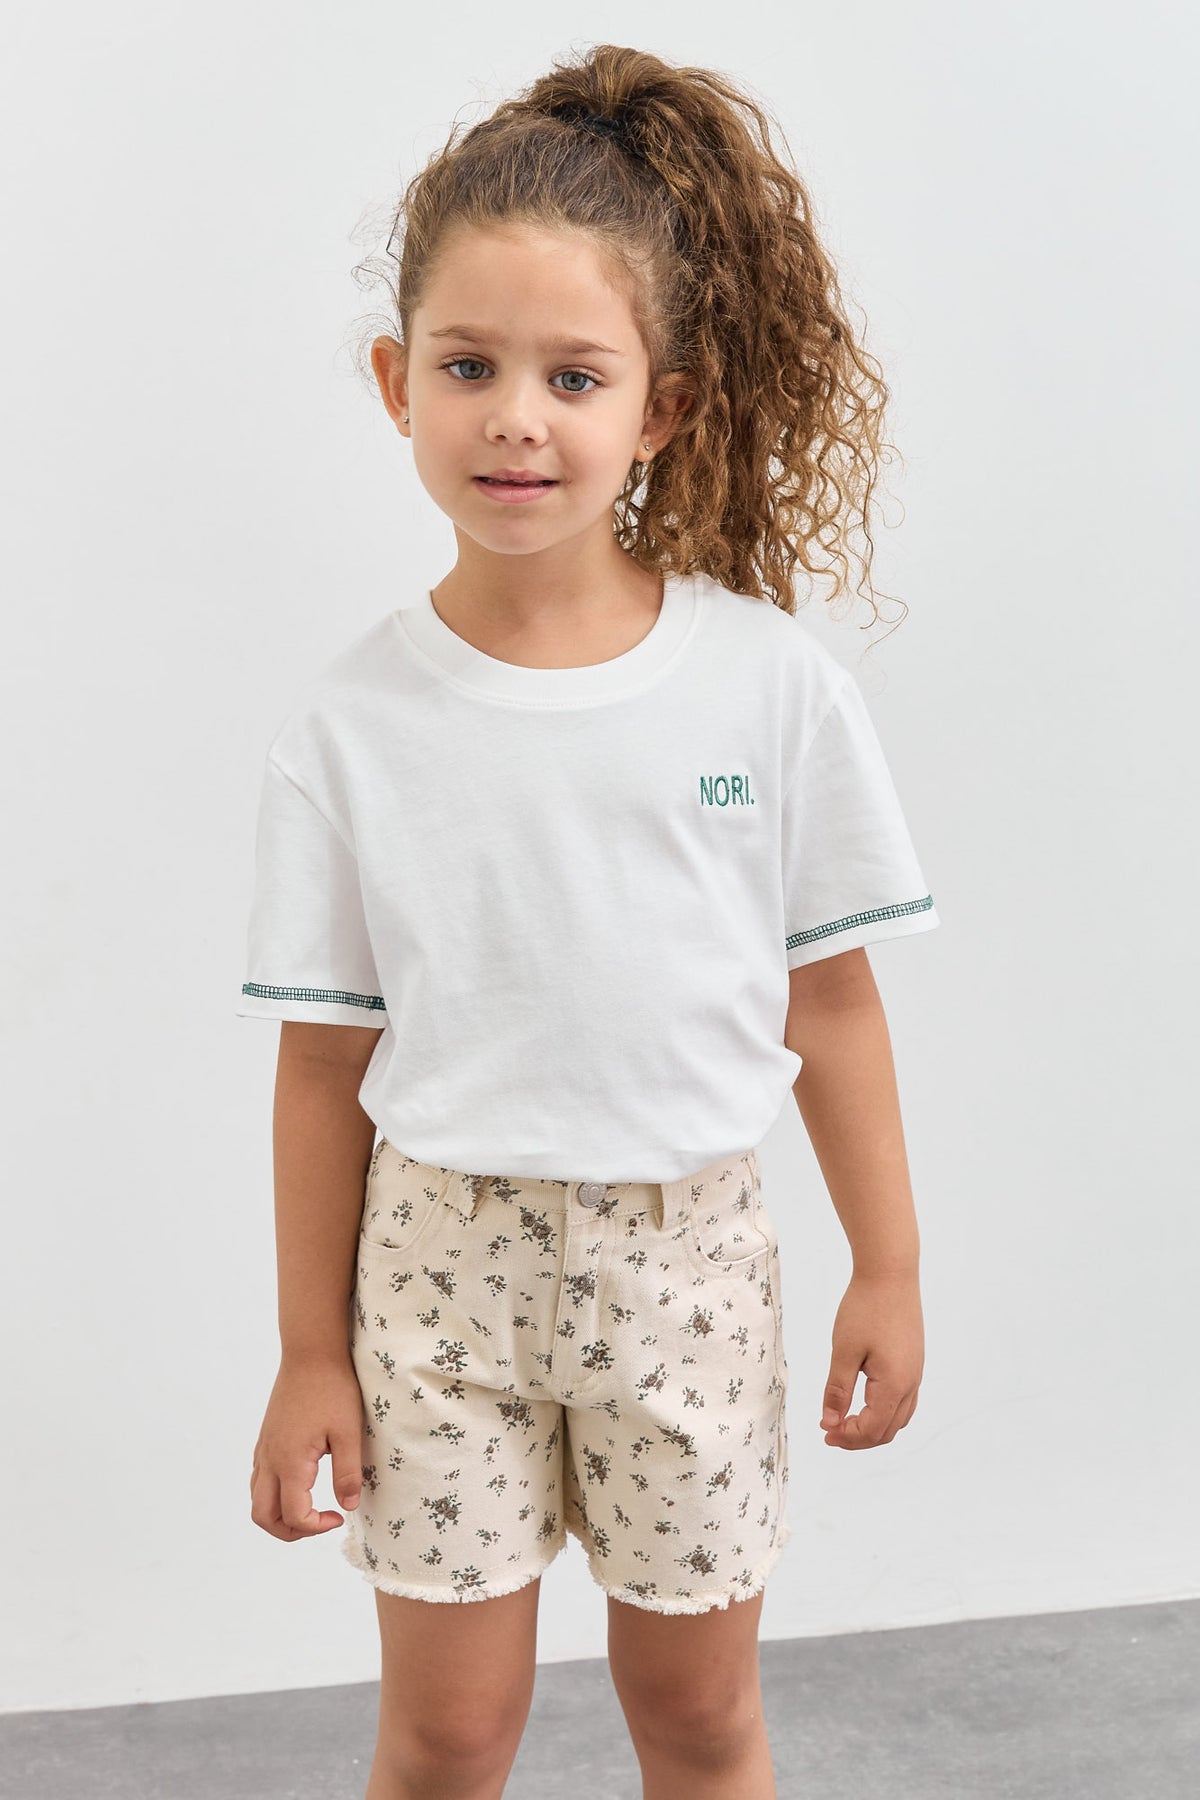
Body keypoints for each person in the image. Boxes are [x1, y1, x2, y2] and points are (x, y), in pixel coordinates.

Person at [240, 41, 941, 1800]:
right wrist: (311, 1352)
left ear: (664, 409)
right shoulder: (350, 727)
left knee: (697, 1721)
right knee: (447, 1735)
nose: (516, 417)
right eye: (468, 366)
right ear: (397, 382)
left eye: (575, 375)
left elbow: (832, 1005)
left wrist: (892, 1264)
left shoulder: (768, 689)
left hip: (689, 1269)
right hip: (435, 1283)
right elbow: (322, 1064)